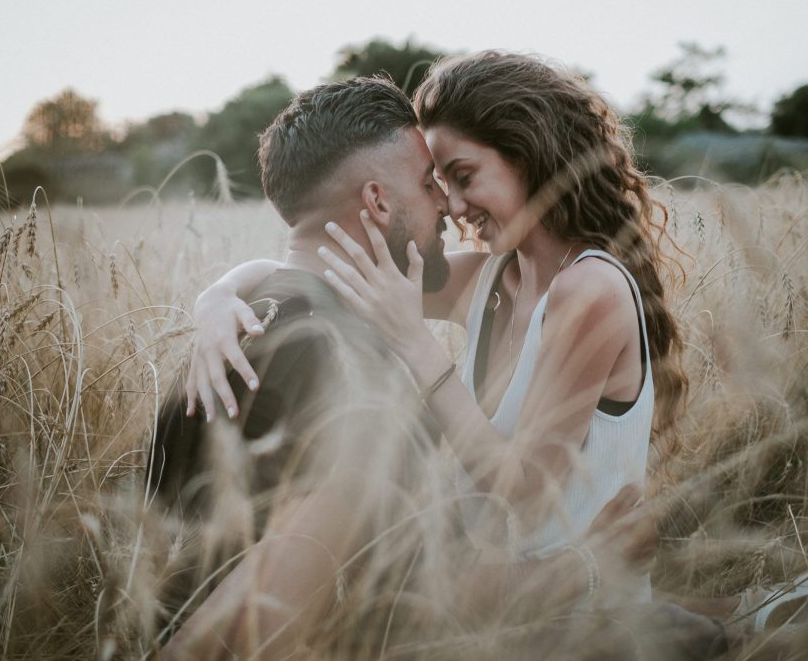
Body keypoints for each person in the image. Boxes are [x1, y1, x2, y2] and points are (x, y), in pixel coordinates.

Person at [155, 76, 665, 660]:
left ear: (530, 160)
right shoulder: (485, 280)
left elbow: (523, 492)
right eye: (435, 184)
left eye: (461, 177)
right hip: (517, 605)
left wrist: (416, 344)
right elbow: (318, 265)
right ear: (375, 200)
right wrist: (219, 295)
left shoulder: (588, 289)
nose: (449, 203)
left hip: (572, 623)